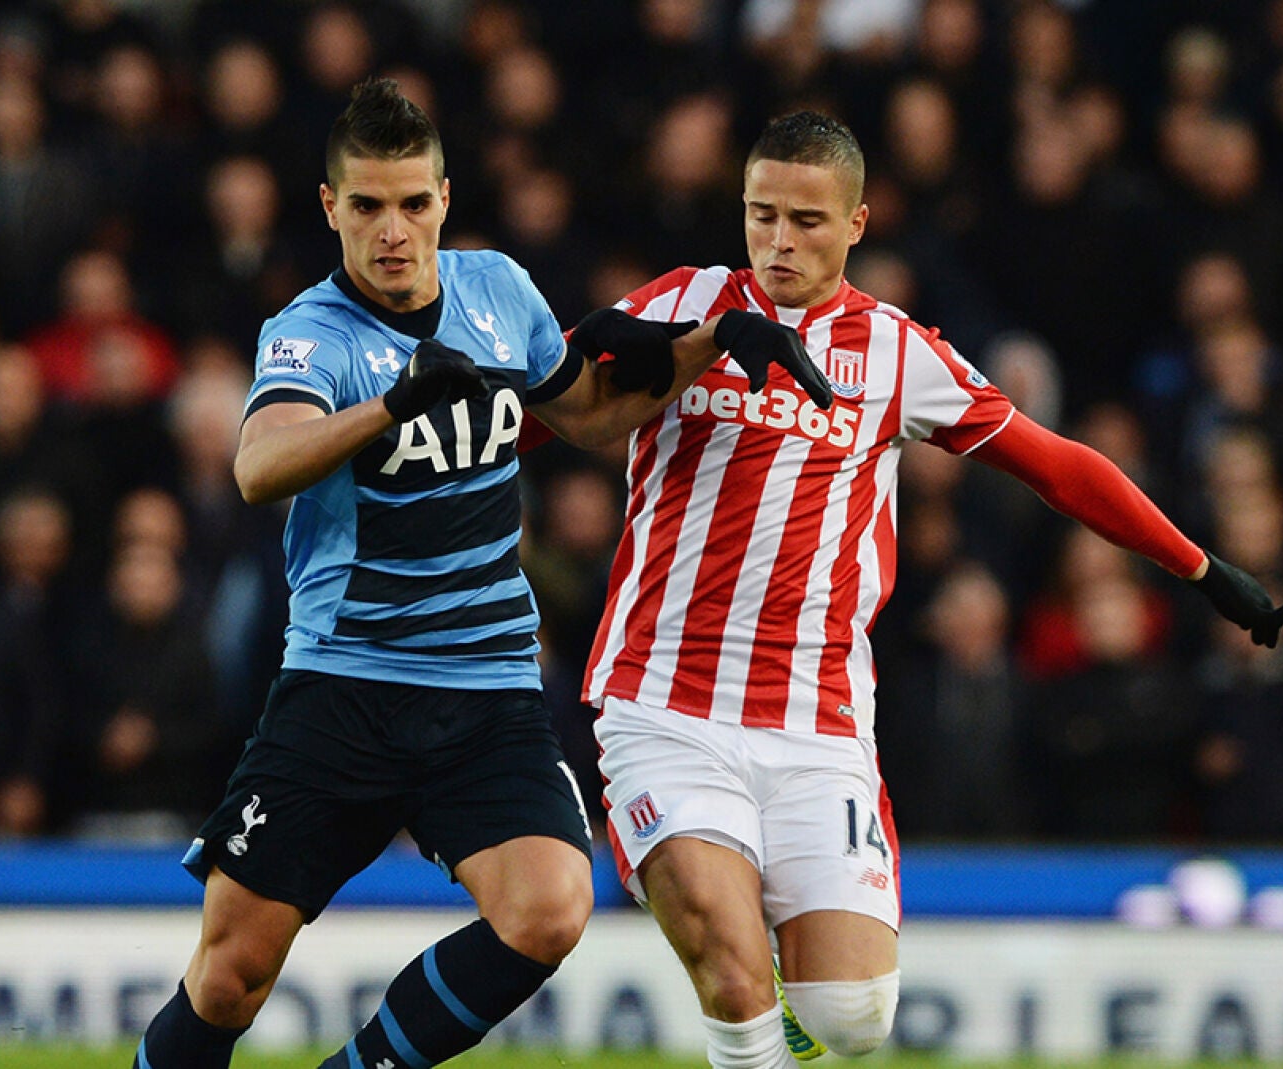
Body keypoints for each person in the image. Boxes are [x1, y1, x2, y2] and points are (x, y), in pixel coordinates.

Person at [130, 78, 821, 1069]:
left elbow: (587, 412)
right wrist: (388, 406)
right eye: (366, 206)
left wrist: (715, 341)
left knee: (550, 907)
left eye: (413, 203)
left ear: (444, 199)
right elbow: (257, 466)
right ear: (331, 209)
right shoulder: (311, 332)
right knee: (231, 972)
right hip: (343, 687)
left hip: (485, 688)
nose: (392, 230)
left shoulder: (499, 290)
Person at [578, 112, 1283, 1068]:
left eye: (806, 220)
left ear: (859, 223)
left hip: (816, 722)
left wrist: (1201, 567)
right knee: (735, 970)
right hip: (664, 700)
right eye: (760, 216)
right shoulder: (680, 306)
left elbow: (1057, 465)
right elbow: (550, 400)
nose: (780, 242)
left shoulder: (897, 352)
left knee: (851, 1018)